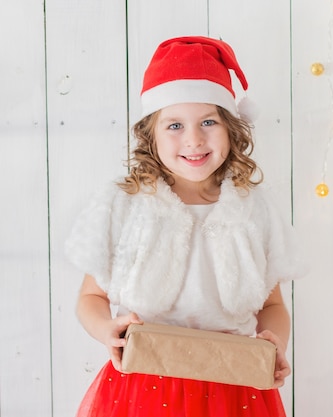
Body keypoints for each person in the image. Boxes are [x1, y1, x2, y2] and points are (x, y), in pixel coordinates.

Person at [65, 36, 305, 417]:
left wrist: (276, 343)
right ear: (151, 136)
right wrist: (104, 329)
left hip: (235, 382)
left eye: (208, 121)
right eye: (174, 125)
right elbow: (90, 298)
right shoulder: (125, 205)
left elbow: (272, 305)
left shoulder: (252, 209)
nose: (194, 139)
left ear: (231, 130)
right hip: (145, 381)